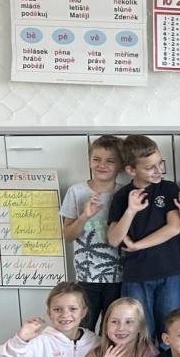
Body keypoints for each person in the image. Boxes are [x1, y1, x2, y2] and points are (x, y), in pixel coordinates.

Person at [107, 134, 180, 340]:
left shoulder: (168, 188)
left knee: (172, 332)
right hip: (136, 276)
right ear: (131, 170)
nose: (158, 170)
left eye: (160, 163)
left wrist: (137, 245)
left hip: (171, 272)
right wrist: (131, 210)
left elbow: (174, 228)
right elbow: (114, 239)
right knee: (142, 335)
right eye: (150, 167)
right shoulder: (121, 197)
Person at [59, 135, 124, 331]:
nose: (102, 165)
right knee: (84, 330)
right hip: (87, 277)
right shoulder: (76, 192)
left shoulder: (125, 193)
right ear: (89, 161)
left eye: (110, 161)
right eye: (96, 159)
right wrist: (84, 217)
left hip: (119, 276)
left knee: (113, 331)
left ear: (121, 166)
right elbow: (67, 235)